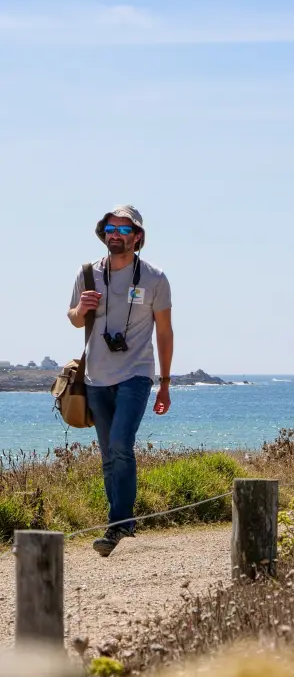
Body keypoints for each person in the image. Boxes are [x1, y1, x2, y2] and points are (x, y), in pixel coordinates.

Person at [68, 205, 174, 557]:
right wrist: (80, 309)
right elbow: (72, 319)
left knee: (120, 444)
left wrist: (165, 383)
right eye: (110, 228)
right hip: (96, 376)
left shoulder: (155, 278)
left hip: (136, 374)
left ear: (138, 237)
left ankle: (117, 524)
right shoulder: (87, 274)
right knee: (108, 455)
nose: (116, 234)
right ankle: (121, 522)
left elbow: (164, 332)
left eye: (125, 230)